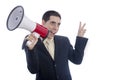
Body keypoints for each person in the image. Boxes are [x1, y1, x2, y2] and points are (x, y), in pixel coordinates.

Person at [22, 10, 88, 80]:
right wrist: (31, 49)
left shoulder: (64, 41)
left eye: (58, 24)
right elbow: (33, 70)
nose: (56, 28)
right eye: (52, 23)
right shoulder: (31, 41)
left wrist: (79, 38)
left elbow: (77, 60)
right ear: (43, 22)